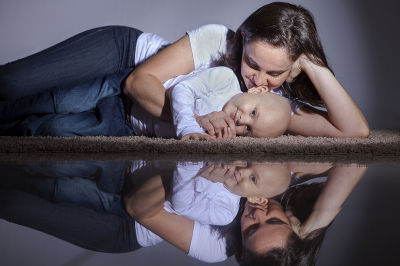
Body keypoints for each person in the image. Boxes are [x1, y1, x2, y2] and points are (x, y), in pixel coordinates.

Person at [0, 2, 369, 139]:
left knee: (46, 127)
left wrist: (312, 64)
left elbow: (355, 131)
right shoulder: (218, 40)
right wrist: (195, 121)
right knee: (12, 83)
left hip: (130, 115)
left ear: (291, 71)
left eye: (274, 73)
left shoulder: (274, 107)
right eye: (252, 63)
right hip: (124, 57)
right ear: (243, 39)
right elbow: (137, 81)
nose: (258, 79)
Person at [125, 162, 367, 264]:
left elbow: (136, 205)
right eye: (273, 220)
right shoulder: (273, 183)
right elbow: (355, 162)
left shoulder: (218, 248)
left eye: (252, 229)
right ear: (289, 217)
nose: (258, 213)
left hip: (122, 221)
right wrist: (307, 229)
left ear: (242, 248)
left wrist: (199, 171)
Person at [0, 66, 291, 139]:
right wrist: (194, 123)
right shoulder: (225, 79)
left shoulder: (222, 133)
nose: (243, 121)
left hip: (125, 124)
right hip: (123, 90)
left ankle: (16, 130)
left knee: (57, 128)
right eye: (253, 112)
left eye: (249, 130)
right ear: (258, 92)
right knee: (60, 100)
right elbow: (182, 91)